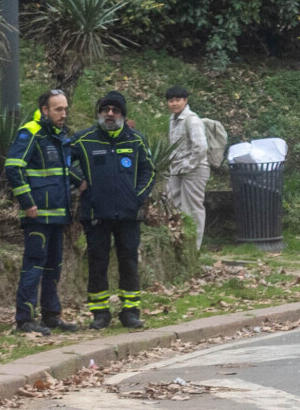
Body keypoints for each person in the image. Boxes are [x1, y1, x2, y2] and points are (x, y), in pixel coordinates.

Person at [72, 91, 157, 327]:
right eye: (105, 110)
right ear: (99, 113)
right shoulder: (83, 139)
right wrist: (77, 180)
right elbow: (61, 161)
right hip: (95, 214)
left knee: (128, 261)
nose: (110, 114)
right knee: (98, 262)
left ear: (122, 115)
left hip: (128, 215)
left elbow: (149, 171)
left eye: (115, 110)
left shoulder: (136, 140)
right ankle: (100, 313)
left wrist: (137, 197)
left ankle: (130, 311)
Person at [4, 89, 78, 334]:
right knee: (34, 265)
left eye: (65, 109)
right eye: (58, 109)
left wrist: (81, 182)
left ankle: (51, 315)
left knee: (53, 267)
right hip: (38, 214)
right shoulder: (30, 132)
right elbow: (14, 167)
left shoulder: (58, 136)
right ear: (44, 110)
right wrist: (27, 203)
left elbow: (63, 171)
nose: (63, 114)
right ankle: (25, 319)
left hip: (57, 213)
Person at [161, 87, 216, 251]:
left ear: (185, 101)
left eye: (178, 100)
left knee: (192, 208)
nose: (174, 103)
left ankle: (194, 249)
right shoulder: (173, 119)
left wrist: (187, 165)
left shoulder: (192, 120)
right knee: (172, 204)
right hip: (176, 169)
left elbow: (200, 147)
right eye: (171, 100)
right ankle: (177, 243)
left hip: (195, 169)